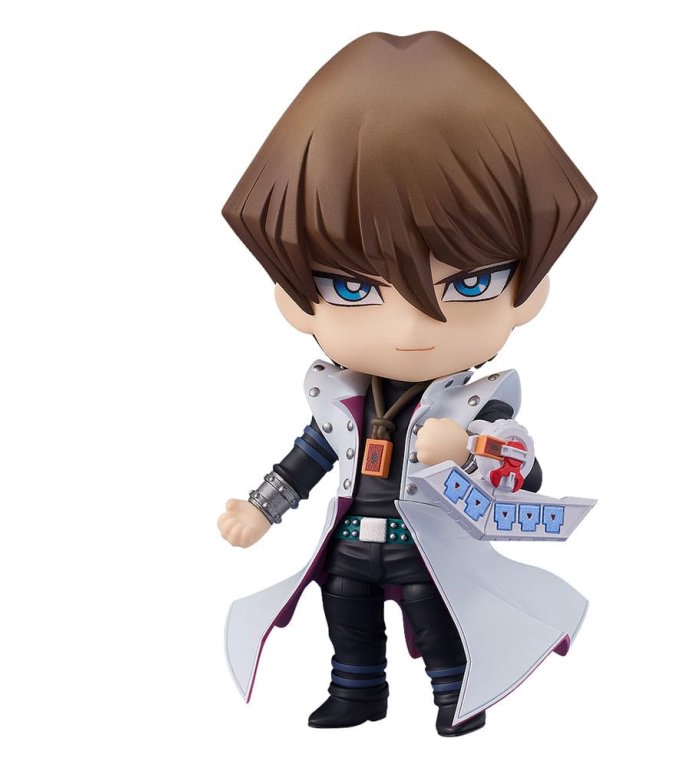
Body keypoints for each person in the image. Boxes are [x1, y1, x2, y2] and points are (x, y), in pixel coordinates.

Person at [217, 31, 597, 737]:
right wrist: (262, 508)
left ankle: (456, 693)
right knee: (343, 608)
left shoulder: (476, 401)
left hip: (429, 544)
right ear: (297, 302)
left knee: (438, 616)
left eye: (469, 284)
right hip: (351, 541)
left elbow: (524, 469)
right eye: (355, 288)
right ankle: (356, 690)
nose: (413, 326)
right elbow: (308, 457)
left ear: (530, 291)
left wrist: (468, 449)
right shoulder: (341, 400)